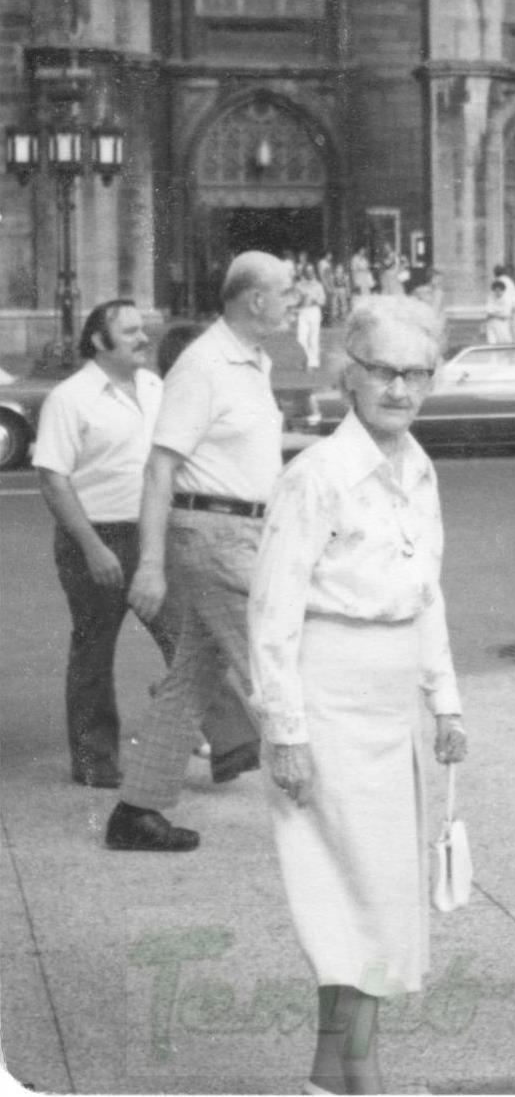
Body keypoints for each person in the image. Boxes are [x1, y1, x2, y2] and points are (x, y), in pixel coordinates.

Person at [248, 295, 466, 1095]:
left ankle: (326, 1078)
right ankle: (365, 1075)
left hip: (391, 702)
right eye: (382, 370)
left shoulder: (417, 468)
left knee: (368, 895)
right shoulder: (314, 476)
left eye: (416, 373)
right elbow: (271, 611)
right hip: (328, 703)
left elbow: (425, 590)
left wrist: (444, 699)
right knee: (361, 898)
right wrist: (285, 731)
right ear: (349, 375)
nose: (399, 388)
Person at [104, 252, 296, 852]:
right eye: (287, 293)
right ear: (255, 299)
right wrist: (151, 565)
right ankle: (338, 809)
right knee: (280, 665)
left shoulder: (252, 363)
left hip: (245, 532)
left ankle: (135, 812)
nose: (296, 302)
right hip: (214, 538)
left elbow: (246, 453)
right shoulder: (204, 366)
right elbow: (159, 466)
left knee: (190, 679)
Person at [33, 301, 172, 788]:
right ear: (99, 341)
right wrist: (94, 548)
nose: (143, 338)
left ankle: (230, 746)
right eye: (130, 331)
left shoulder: (155, 387)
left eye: (143, 329)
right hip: (96, 538)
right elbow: (53, 480)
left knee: (186, 640)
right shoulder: (69, 398)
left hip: (153, 535)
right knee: (94, 651)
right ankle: (95, 763)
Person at [296, 262, 327, 371]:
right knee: (301, 338)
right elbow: (295, 300)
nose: (310, 273)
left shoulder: (318, 285)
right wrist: (300, 300)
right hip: (303, 312)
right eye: (308, 271)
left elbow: (323, 300)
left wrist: (315, 301)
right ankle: (309, 359)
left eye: (312, 270)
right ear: (304, 272)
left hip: (314, 311)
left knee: (314, 339)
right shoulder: (299, 285)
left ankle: (313, 363)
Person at [493, 264, 515, 340]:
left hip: (506, 309)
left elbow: (499, 297)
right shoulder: (509, 280)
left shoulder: (499, 281)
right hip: (513, 308)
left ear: (495, 274)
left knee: (506, 331)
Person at [484, 279, 512, 344]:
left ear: (503, 290)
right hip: (491, 325)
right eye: (496, 291)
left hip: (502, 325)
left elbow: (505, 315)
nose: (497, 293)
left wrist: (493, 314)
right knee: (491, 343)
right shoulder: (490, 298)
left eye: (499, 291)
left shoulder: (507, 299)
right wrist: (498, 313)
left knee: (503, 343)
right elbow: (488, 312)